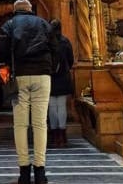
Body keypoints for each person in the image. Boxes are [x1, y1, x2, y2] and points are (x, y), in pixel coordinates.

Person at [0, 0, 56, 184]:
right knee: (40, 124)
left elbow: (2, 54)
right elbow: (56, 48)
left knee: (20, 125)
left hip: (20, 76)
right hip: (42, 76)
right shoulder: (43, 23)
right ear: (30, 9)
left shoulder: (9, 24)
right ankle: (40, 171)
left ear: (15, 10)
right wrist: (49, 70)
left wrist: (6, 80)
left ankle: (24, 172)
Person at [47, 19, 74, 148]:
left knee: (52, 106)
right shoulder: (65, 41)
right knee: (61, 106)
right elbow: (71, 60)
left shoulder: (46, 42)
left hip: (50, 77)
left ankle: (54, 133)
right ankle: (62, 134)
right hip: (63, 76)